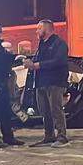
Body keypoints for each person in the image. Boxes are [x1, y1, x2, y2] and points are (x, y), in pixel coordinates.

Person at [24, 19, 69, 148]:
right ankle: (49, 136)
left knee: (56, 109)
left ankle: (62, 137)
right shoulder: (41, 44)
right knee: (45, 111)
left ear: (47, 29)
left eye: (39, 28)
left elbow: (58, 61)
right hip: (41, 82)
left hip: (55, 82)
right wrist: (30, 62)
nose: (36, 31)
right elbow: (38, 60)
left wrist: (37, 65)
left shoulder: (59, 44)